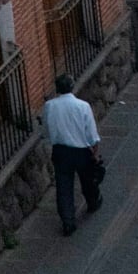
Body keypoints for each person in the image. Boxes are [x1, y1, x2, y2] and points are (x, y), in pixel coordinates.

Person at [44, 73, 104, 234]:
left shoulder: (50, 106)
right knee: (87, 180)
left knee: (64, 186)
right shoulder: (82, 106)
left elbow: (47, 131)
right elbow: (92, 134)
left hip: (60, 151)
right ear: (72, 86)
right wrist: (95, 153)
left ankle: (68, 221)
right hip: (81, 151)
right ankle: (92, 202)